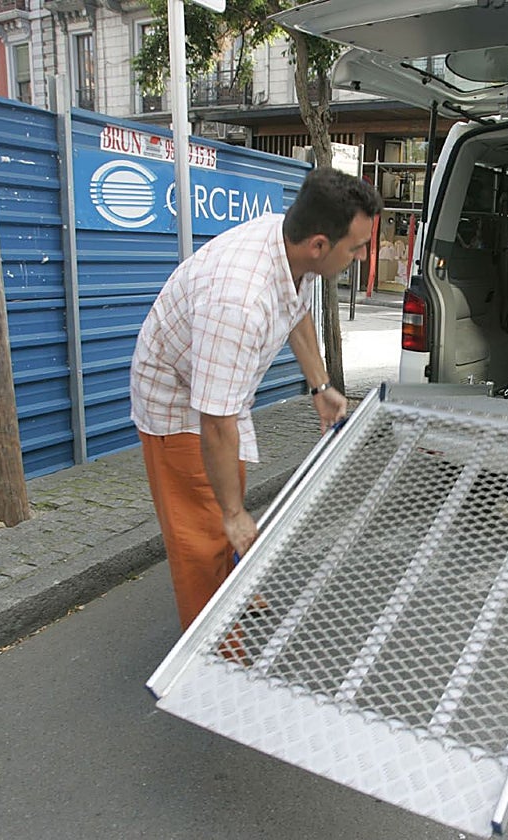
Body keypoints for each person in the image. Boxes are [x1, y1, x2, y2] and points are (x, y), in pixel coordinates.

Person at [130, 167, 383, 630]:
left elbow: (294, 311)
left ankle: (234, 584)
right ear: (320, 245)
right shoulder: (239, 303)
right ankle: (213, 656)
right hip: (177, 401)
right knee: (204, 532)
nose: (363, 257)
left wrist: (321, 387)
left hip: (216, 392)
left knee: (228, 493)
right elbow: (215, 424)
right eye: (357, 247)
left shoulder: (289, 245)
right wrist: (232, 515)